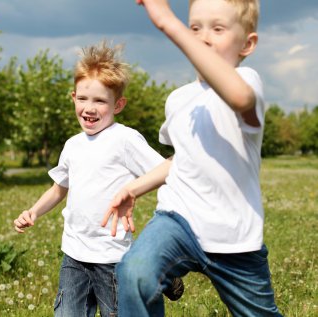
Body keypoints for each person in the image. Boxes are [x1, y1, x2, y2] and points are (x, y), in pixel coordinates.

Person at [102, 0, 283, 316]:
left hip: (234, 238)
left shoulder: (248, 82)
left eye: (218, 28)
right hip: (178, 220)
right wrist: (134, 188)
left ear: (248, 44)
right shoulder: (178, 100)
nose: (202, 37)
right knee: (135, 272)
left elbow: (239, 98)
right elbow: (181, 159)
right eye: (195, 27)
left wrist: (168, 22)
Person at [13, 41, 182, 317]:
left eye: (100, 101)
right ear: (73, 97)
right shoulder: (72, 145)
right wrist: (33, 211)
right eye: (83, 99)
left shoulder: (124, 139)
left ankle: (160, 271)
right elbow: (58, 189)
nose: (89, 108)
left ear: (118, 104)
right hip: (74, 255)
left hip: (112, 257)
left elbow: (163, 170)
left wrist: (136, 192)